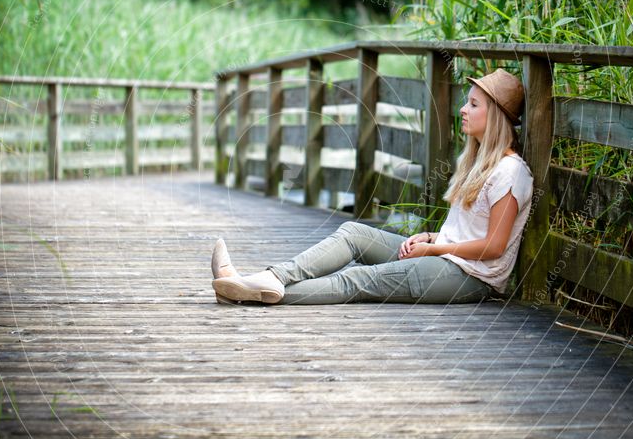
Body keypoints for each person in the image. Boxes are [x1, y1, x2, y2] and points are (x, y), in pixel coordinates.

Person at [211, 69, 534, 305]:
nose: (463, 109)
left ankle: (252, 292)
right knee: (353, 233)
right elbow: (471, 230)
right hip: (445, 257)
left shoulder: (510, 172)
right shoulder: (479, 162)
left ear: (495, 117)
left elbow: (493, 247)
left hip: (469, 279)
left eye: (474, 105)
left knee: (359, 279)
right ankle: (272, 278)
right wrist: (432, 237)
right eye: (467, 102)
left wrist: (434, 249)